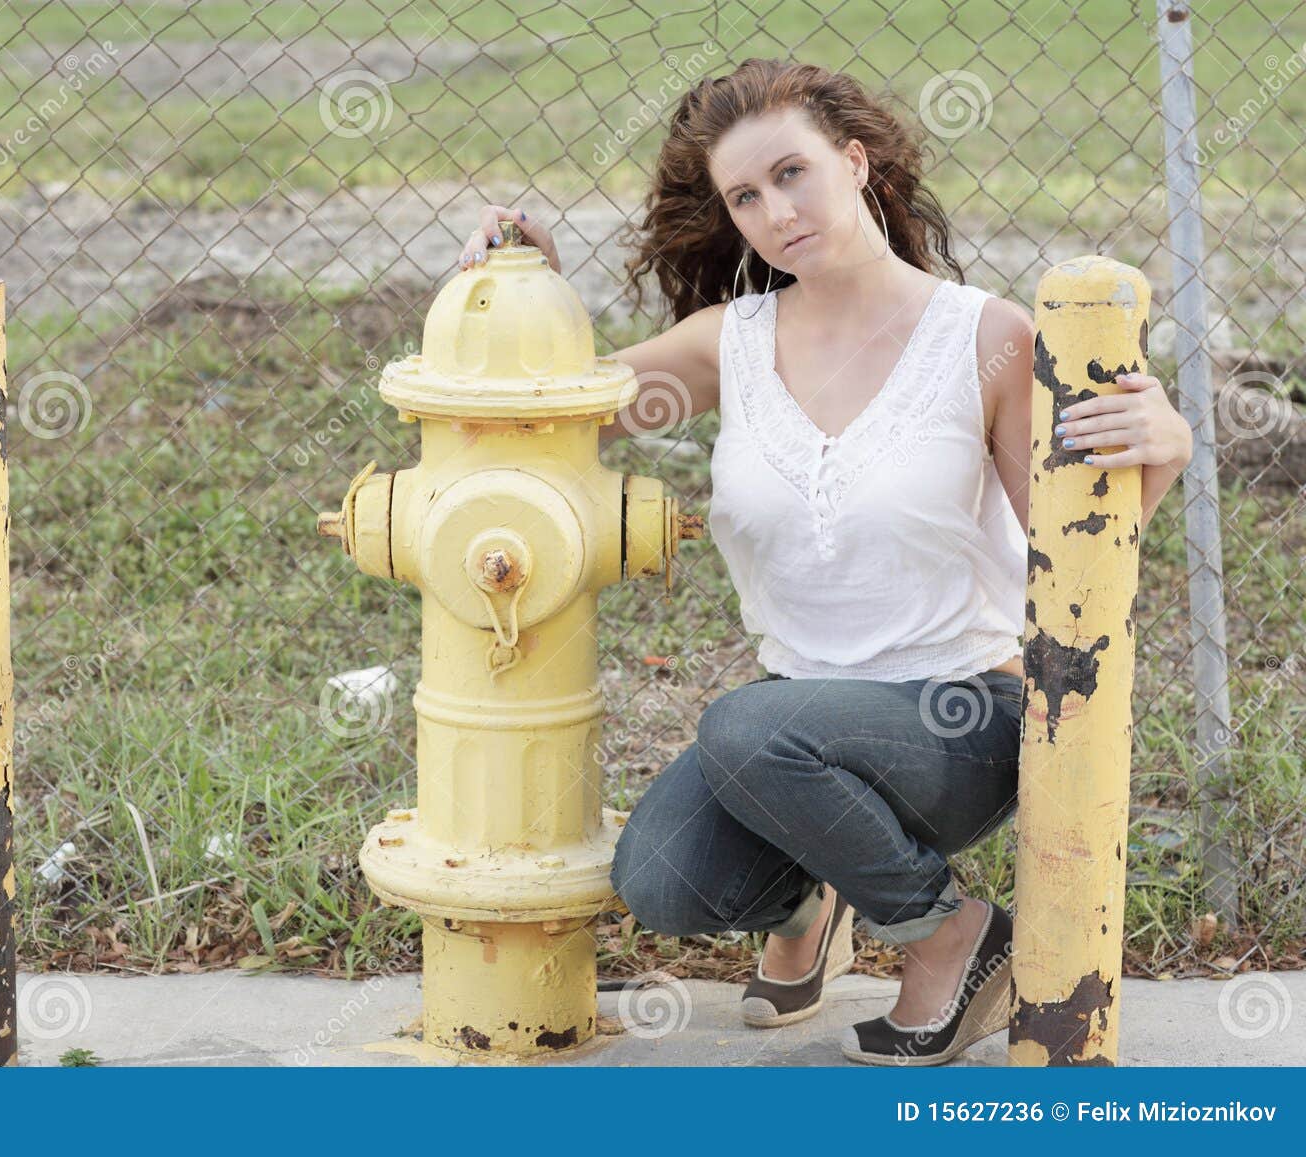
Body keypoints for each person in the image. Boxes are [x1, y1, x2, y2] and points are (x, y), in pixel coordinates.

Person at [455, 58, 1192, 1065]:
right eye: (744, 196)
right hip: (794, 720)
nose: (775, 211)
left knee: (748, 727)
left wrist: (1161, 452)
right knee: (662, 875)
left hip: (962, 714)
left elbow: (1069, 563)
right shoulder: (729, 343)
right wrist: (517, 276)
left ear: (855, 161)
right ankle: (817, 891)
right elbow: (550, 401)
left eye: (792, 172)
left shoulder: (985, 338)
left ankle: (949, 937)